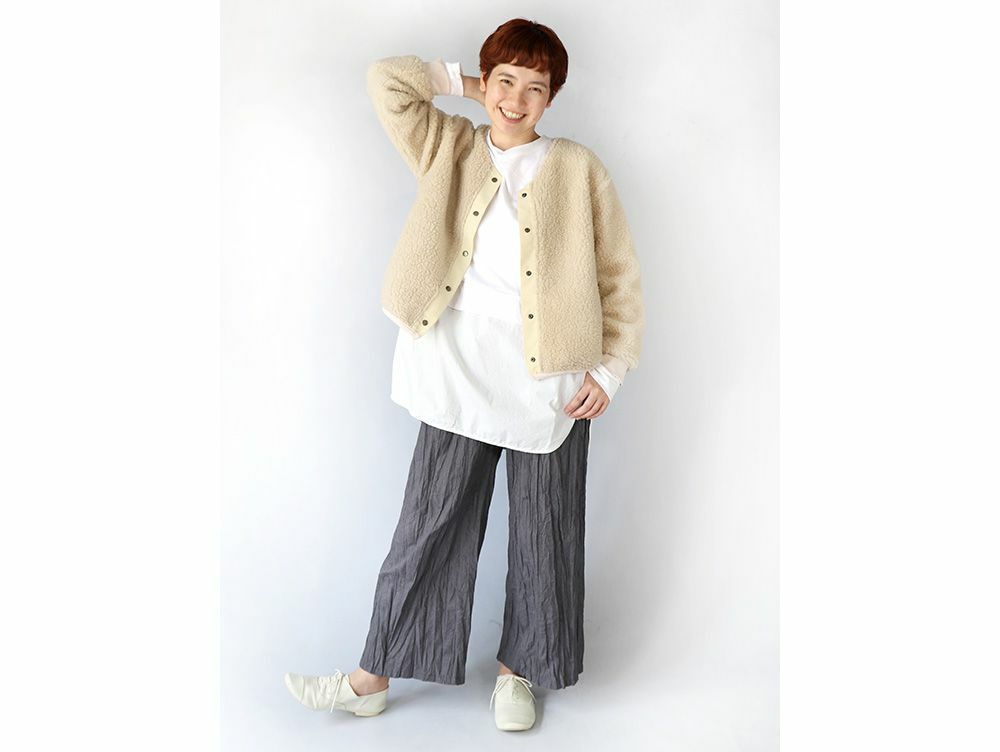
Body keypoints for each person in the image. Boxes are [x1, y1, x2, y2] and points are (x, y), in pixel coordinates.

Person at [285, 17, 644, 732]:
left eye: (534, 88)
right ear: (488, 82)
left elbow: (619, 276)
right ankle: (372, 675)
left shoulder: (579, 168)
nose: (516, 100)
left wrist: (610, 369)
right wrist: (466, 84)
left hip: (551, 374)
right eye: (506, 81)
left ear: (553, 97)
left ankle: (520, 674)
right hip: (455, 363)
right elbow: (386, 82)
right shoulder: (447, 145)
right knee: (429, 523)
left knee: (545, 531)